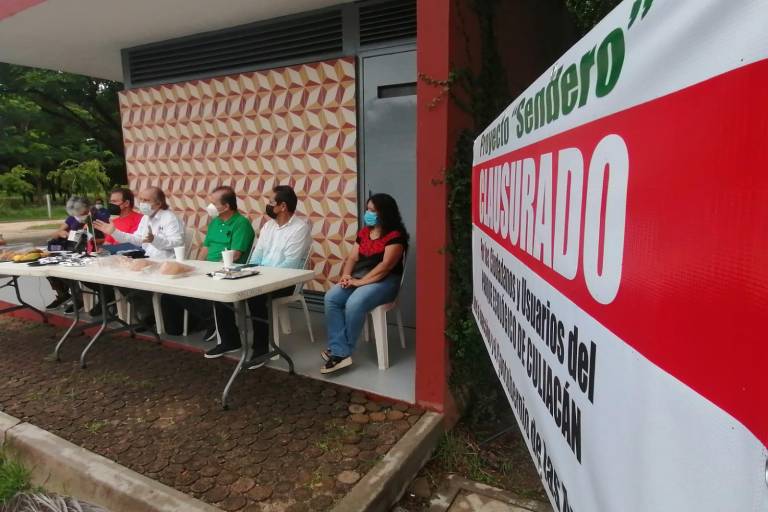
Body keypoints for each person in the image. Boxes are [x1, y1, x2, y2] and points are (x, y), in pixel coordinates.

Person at [204, 185, 311, 367]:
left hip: (285, 281)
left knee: (255, 296)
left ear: (283, 206)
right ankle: (230, 341)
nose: (267, 205)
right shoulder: (268, 226)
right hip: (260, 275)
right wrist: (249, 271)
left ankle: (261, 349)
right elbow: (257, 255)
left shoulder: (299, 229)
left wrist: (259, 277)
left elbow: (290, 265)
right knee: (223, 285)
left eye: (271, 202)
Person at [321, 193, 408, 374]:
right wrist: (346, 276)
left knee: (355, 302)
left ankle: (340, 352)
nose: (368, 214)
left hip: (386, 281)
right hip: (360, 277)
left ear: (385, 213)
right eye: (367, 209)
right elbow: (353, 258)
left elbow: (385, 267)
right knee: (331, 298)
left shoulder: (396, 236)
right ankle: (339, 349)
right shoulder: (364, 233)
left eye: (373, 211)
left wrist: (359, 283)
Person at [161, 185, 255, 338]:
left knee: (189, 290)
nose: (209, 206)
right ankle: (190, 325)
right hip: (207, 269)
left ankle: (214, 320)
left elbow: (236, 254)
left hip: (227, 270)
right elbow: (205, 248)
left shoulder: (241, 223)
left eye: (213, 203)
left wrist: (212, 269)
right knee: (172, 290)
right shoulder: (215, 222)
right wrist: (196, 266)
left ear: (226, 206)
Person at [45, 196, 111, 311]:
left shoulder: (100, 218)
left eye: (82, 214)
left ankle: (93, 298)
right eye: (76, 215)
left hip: (94, 253)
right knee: (52, 269)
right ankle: (65, 295)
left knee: (78, 273)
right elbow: (56, 233)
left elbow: (109, 239)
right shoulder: (72, 218)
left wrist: (90, 239)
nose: (79, 217)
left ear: (88, 208)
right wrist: (61, 233)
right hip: (74, 252)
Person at [93, 187, 184, 259]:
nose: (142, 203)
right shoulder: (146, 217)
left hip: (166, 262)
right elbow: (137, 240)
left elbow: (178, 243)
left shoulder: (169, 218)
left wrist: (154, 240)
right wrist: (114, 232)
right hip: (148, 260)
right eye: (141, 200)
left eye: (146, 200)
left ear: (158, 204)